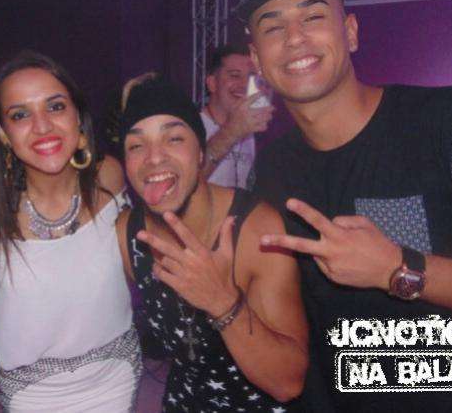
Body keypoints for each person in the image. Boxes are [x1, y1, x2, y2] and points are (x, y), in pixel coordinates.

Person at [236, 0, 452, 411]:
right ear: (257, 59)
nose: (294, 38)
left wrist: (398, 268)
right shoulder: (270, 172)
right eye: (272, 27)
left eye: (313, 15)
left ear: (350, 32)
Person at [116, 74, 308, 411]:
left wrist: (221, 301)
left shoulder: (255, 229)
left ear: (202, 152)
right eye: (135, 145)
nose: (154, 157)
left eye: (174, 138)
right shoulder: (128, 232)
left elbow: (288, 383)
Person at [0, 51, 141, 412]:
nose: (42, 126)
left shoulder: (108, 176)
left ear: (78, 116)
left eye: (56, 107)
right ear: (3, 134)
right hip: (30, 388)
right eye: (20, 115)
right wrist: (1, 317)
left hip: (114, 371)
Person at [200, 44, 273, 189]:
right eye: (234, 75)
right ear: (212, 83)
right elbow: (185, 185)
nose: (245, 85)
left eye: (252, 77)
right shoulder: (190, 128)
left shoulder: (253, 134)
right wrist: (231, 131)